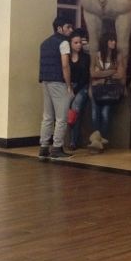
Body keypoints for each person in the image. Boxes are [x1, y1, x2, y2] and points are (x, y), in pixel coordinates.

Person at [38, 17, 74, 160]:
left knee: (47, 117)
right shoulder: (64, 42)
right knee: (61, 118)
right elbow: (65, 65)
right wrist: (69, 85)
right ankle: (57, 148)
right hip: (59, 82)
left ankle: (43, 147)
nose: (71, 30)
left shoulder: (44, 43)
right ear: (59, 28)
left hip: (45, 81)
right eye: (68, 27)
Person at [90, 32, 123, 152]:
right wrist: (112, 72)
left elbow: (120, 75)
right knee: (95, 115)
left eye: (114, 40)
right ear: (105, 42)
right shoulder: (96, 56)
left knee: (105, 114)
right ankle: (96, 141)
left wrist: (101, 74)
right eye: (111, 40)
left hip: (110, 90)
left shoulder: (117, 57)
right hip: (96, 89)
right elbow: (93, 74)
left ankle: (100, 142)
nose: (114, 42)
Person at [68, 29, 91, 150]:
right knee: (67, 108)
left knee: (75, 107)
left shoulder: (86, 58)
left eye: (80, 43)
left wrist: (75, 90)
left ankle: (73, 141)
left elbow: (85, 76)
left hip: (83, 87)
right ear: (70, 43)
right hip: (70, 86)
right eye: (75, 43)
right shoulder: (66, 57)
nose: (78, 45)